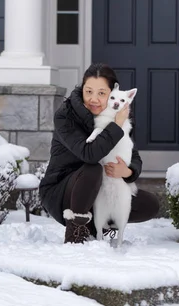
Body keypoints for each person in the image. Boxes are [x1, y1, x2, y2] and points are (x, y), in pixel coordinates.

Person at [39, 63, 160, 244]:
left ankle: (103, 233)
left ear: (112, 94)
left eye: (101, 93)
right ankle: (76, 235)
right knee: (93, 169)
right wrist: (116, 126)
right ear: (82, 89)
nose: (93, 99)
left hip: (101, 190)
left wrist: (127, 171)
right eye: (89, 92)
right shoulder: (66, 116)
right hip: (64, 190)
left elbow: (132, 154)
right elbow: (90, 154)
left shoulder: (116, 115)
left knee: (148, 204)